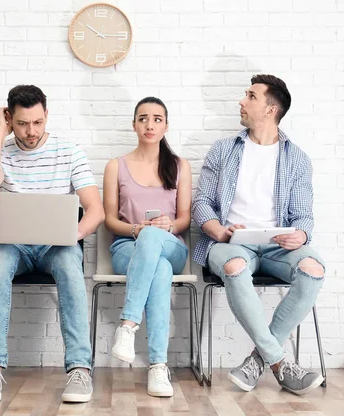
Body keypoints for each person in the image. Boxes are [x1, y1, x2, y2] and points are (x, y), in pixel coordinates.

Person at [192, 74, 326, 396]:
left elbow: (304, 216)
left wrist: (302, 235)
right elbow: (201, 203)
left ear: (270, 109)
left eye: (250, 96)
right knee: (235, 268)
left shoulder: (298, 159)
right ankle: (280, 363)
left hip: (278, 246)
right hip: (230, 243)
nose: (242, 101)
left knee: (314, 269)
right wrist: (220, 231)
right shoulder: (223, 150)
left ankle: (257, 360)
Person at [0, 85, 104, 403]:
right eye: (21, 123)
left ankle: (80, 370)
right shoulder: (1, 151)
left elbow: (96, 211)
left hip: (57, 245)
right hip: (13, 246)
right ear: (9, 119)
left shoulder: (68, 151)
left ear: (46, 116)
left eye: (38, 122)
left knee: (71, 267)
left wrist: (70, 235)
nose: (31, 132)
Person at [102, 97, 192, 397]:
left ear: (166, 125)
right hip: (128, 247)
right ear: (134, 125)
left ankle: (127, 326)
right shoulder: (116, 166)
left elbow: (185, 219)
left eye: (156, 119)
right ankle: (158, 367)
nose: (149, 124)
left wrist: (167, 227)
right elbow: (110, 221)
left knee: (154, 241)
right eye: (143, 118)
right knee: (160, 269)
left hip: (171, 245)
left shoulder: (180, 166)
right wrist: (136, 229)